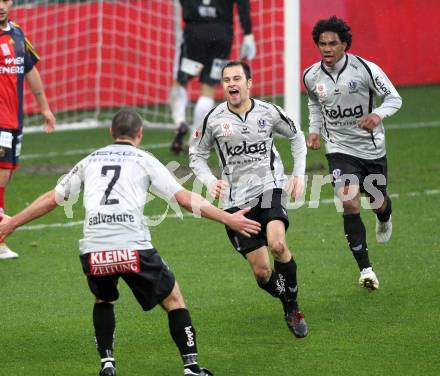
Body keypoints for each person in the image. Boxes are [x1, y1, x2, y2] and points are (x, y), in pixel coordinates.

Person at [0, 109, 261, 376]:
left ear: (111, 133)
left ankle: (107, 364)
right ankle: (191, 367)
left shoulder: (90, 160)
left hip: (94, 251)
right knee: (174, 299)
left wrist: (11, 223)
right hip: (133, 248)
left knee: (103, 298)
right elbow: (184, 199)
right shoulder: (144, 159)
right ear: (140, 134)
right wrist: (228, 219)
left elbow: (52, 199)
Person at [189, 60, 308, 338]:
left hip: (269, 187)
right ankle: (284, 296)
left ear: (249, 83)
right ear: (223, 86)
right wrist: (210, 180)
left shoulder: (268, 112)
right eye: (227, 79)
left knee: (278, 245)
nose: (232, 83)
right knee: (262, 273)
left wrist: (298, 174)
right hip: (234, 201)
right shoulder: (214, 119)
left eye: (237, 78)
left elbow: (297, 137)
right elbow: (196, 155)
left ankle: (292, 307)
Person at [303, 16, 402, 291]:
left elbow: (394, 98)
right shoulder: (311, 75)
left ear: (344, 44)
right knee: (348, 201)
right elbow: (314, 104)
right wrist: (313, 131)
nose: (327, 49)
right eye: (322, 44)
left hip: (371, 149)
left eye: (333, 43)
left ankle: (384, 218)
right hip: (338, 148)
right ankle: (366, 269)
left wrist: (377, 115)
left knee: (378, 202)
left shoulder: (366, 70)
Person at [0, 0, 56, 259]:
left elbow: (30, 69)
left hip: (14, 119)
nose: (0, 5)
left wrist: (44, 107)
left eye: (4, 0)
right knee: (0, 177)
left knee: (6, 177)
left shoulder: (18, 34)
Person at [169, 0, 256, 154]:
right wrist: (248, 34)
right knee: (208, 87)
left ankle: (180, 121)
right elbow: (243, 5)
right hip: (221, 35)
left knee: (181, 81)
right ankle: (194, 141)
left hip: (195, 33)